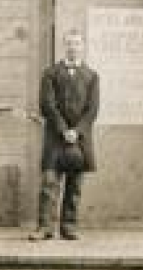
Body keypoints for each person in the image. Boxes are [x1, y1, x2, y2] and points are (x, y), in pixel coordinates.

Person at [30, 28, 100, 241]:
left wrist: (76, 132)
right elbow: (47, 105)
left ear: (83, 47)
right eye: (69, 43)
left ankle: (69, 227)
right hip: (54, 137)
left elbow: (92, 109)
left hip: (81, 139)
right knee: (49, 184)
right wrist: (63, 130)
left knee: (75, 185)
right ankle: (45, 228)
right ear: (64, 46)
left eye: (77, 43)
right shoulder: (50, 73)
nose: (73, 48)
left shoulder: (92, 76)